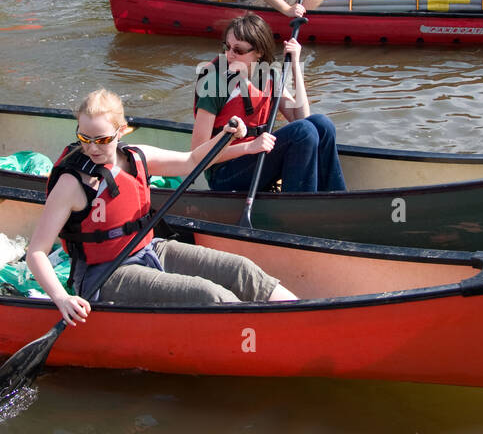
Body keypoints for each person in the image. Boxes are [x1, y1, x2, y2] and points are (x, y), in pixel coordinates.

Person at [26, 88, 298, 323]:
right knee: (210, 296)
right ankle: (261, 333)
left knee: (242, 270)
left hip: (149, 249)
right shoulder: (72, 184)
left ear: (121, 131)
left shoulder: (137, 157)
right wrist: (62, 299)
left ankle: (299, 317)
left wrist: (235, 142)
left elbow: (192, 160)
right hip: (106, 274)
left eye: (102, 140)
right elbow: (36, 251)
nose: (93, 148)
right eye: (85, 138)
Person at [191, 13, 345, 194]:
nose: (230, 55)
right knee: (303, 132)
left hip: (257, 159)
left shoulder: (268, 75)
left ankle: (335, 196)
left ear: (258, 52)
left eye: (239, 50)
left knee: (321, 124)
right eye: (227, 47)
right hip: (225, 172)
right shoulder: (215, 84)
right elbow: (197, 154)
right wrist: (249, 147)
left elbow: (301, 117)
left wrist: (295, 65)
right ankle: (298, 209)